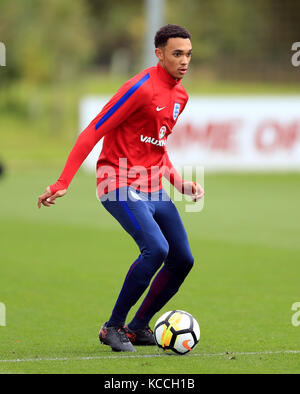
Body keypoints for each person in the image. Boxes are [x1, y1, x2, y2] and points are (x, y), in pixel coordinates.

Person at [37, 24, 205, 352]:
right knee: (156, 249)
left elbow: (157, 148)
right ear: (159, 54)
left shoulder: (180, 96)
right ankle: (111, 326)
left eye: (188, 54)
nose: (184, 61)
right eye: (177, 54)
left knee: (183, 258)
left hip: (152, 186)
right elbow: (92, 131)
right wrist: (63, 181)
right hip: (116, 181)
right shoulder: (140, 88)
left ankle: (138, 327)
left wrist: (179, 183)